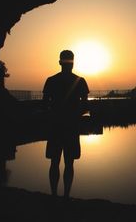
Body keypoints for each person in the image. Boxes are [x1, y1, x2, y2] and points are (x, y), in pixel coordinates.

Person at [42, 50, 89, 200]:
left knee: (54, 162)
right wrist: (74, 115)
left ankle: (54, 195)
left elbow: (44, 105)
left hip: (55, 127)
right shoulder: (80, 81)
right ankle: (66, 196)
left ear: (60, 62)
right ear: (73, 62)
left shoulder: (51, 80)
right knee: (69, 164)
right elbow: (85, 106)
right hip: (71, 127)